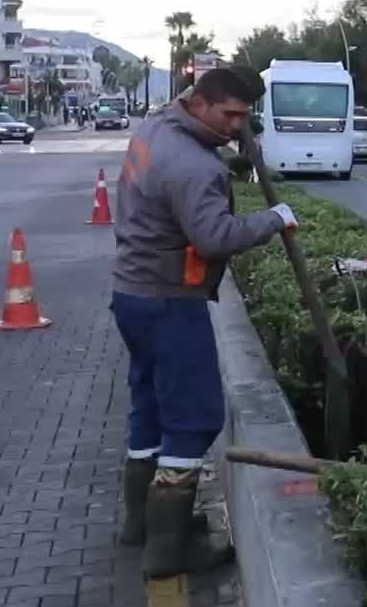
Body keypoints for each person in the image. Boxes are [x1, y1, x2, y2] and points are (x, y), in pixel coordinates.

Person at [111, 67, 297, 578]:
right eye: (230, 115)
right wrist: (275, 218)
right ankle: (168, 551)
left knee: (148, 405)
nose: (239, 126)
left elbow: (175, 189)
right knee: (193, 419)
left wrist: (229, 166)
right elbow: (215, 237)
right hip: (170, 300)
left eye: (245, 117)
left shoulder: (155, 128)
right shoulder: (194, 166)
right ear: (199, 104)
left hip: (131, 292)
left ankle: (139, 524)